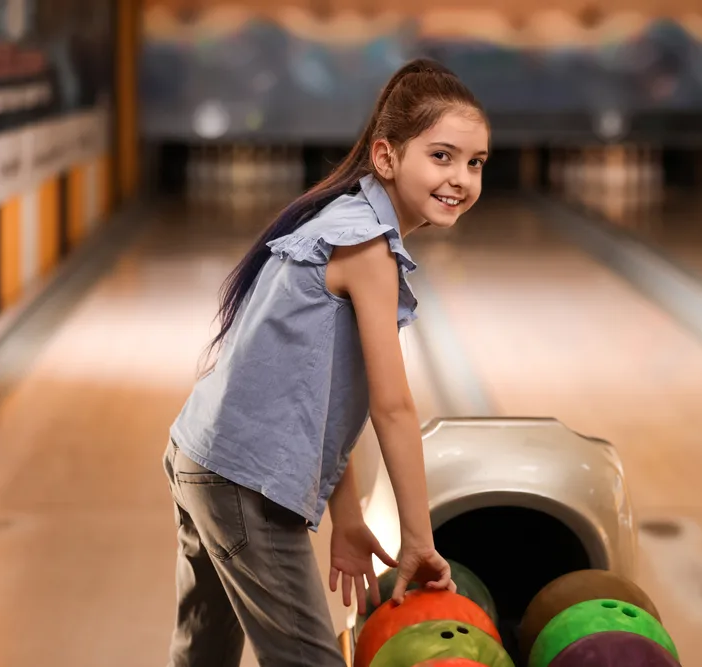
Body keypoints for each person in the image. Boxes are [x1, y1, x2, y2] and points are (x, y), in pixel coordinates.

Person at [161, 58, 491, 667]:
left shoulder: (341, 218)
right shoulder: (366, 246)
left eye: (475, 163)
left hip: (201, 455)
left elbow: (315, 392)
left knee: (201, 655)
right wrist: (418, 540)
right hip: (240, 481)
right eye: (441, 156)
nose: (462, 179)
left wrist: (346, 517)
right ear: (387, 158)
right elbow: (392, 406)